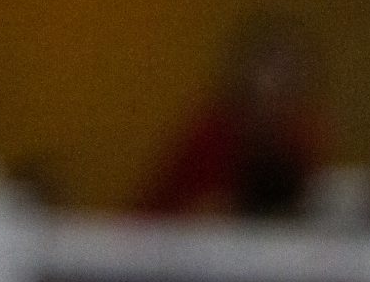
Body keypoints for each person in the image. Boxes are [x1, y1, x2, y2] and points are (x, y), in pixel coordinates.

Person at [138, 14, 330, 220]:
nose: (282, 80)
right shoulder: (216, 131)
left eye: (293, 68)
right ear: (247, 70)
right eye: (273, 67)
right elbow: (203, 212)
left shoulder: (299, 138)